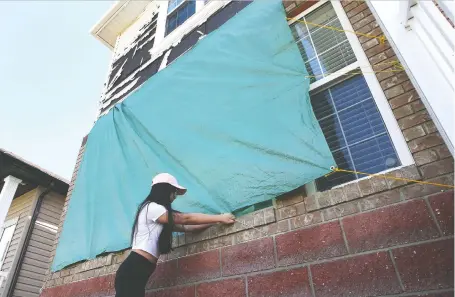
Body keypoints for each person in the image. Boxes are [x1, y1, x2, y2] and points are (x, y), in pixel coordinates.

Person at [115, 173, 235, 297]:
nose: (174, 197)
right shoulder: (151, 208)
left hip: (139, 270)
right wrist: (220, 217)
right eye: (174, 192)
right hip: (133, 270)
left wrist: (216, 221)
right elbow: (186, 219)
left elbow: (188, 227)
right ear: (165, 190)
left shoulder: (161, 217)